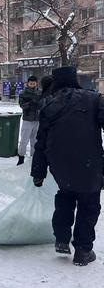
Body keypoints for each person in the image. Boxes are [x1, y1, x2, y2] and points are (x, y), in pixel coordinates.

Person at [32, 66, 104, 266]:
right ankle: (83, 250)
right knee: (89, 204)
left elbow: (41, 142)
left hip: (60, 164)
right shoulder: (94, 99)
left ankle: (62, 238)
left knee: (66, 195)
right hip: (89, 161)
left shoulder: (48, 104)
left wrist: (38, 173)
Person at [17, 75, 41, 165]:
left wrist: (39, 103)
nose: (32, 85)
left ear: (36, 83)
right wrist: (30, 103)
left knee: (35, 141)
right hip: (27, 119)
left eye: (34, 83)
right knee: (24, 140)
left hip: (37, 120)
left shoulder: (40, 92)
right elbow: (22, 105)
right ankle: (21, 158)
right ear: (27, 83)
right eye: (31, 83)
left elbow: (43, 103)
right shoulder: (23, 93)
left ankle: (33, 158)